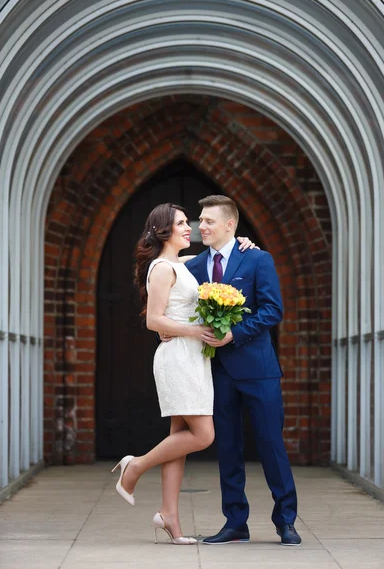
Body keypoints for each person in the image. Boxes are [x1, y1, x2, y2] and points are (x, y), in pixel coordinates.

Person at [111, 202, 255, 545]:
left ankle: (169, 517)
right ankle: (135, 467)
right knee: (203, 435)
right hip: (179, 357)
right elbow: (153, 320)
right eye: (180, 224)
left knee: (180, 442)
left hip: (194, 358)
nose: (189, 227)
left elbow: (221, 257)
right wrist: (196, 331)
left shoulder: (184, 264)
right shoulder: (162, 268)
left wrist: (242, 242)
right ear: (163, 231)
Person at [184, 195, 301, 546]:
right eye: (199, 220)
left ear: (230, 225)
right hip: (216, 372)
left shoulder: (257, 259)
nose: (200, 226)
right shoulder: (193, 266)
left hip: (259, 370)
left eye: (207, 221)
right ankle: (236, 522)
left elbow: (272, 310)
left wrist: (235, 333)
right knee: (228, 448)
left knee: (270, 445)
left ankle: (286, 521)